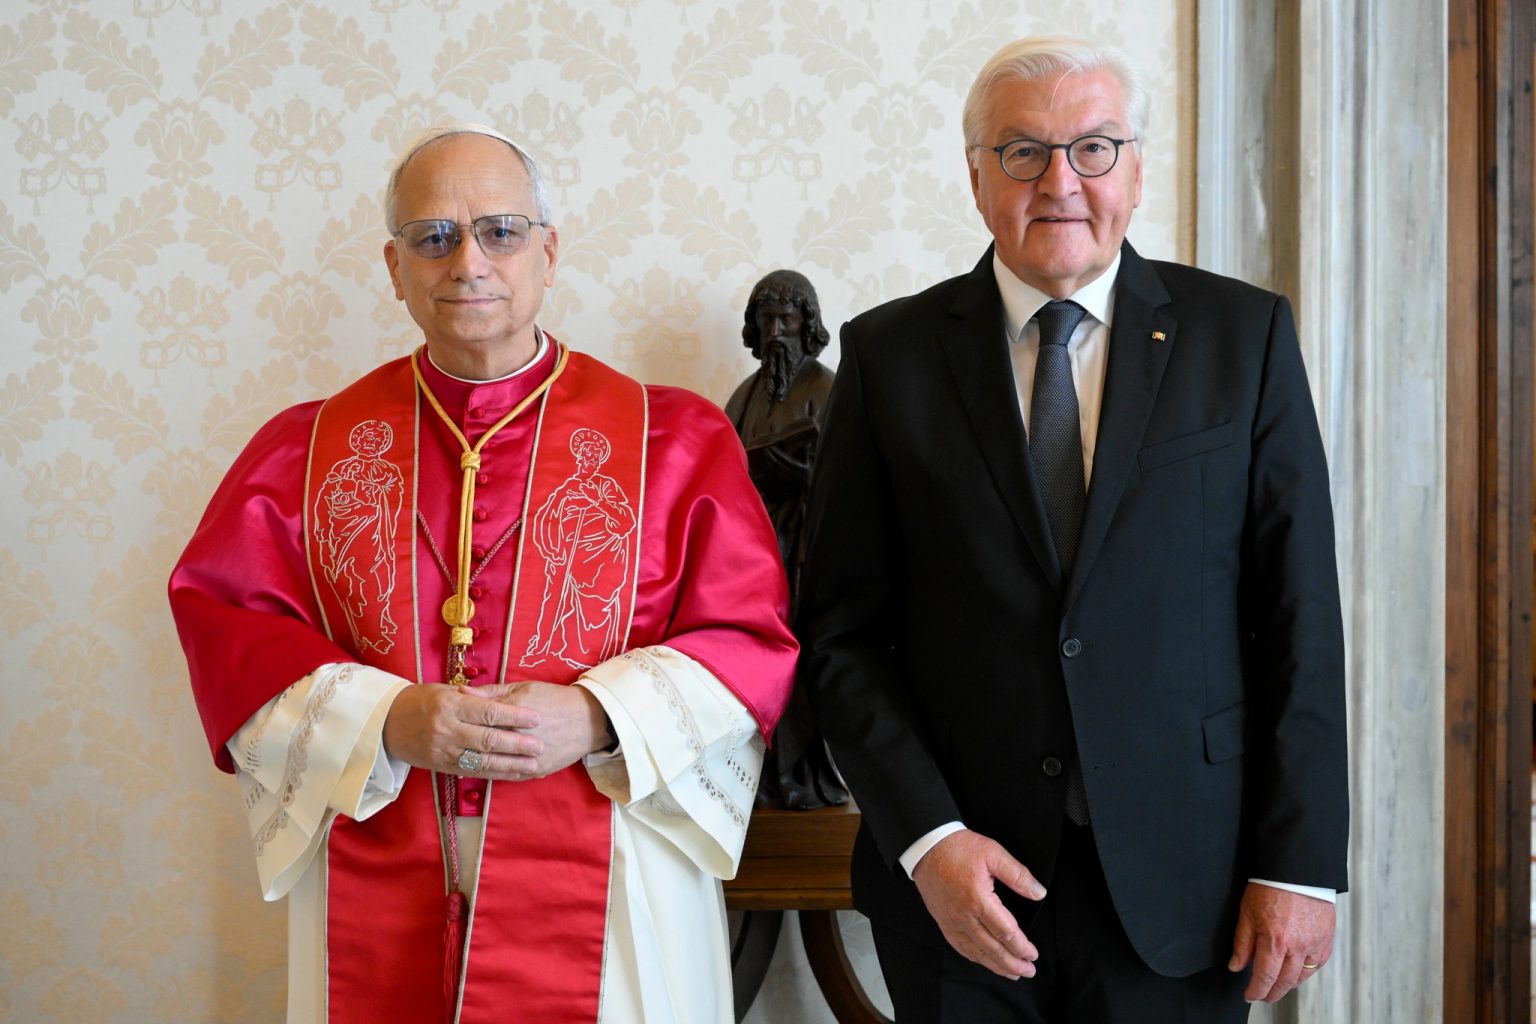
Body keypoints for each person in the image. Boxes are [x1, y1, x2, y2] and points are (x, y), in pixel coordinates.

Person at [169, 123, 796, 1024]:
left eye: (500, 231)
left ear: (549, 251)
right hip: (382, 853)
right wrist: (384, 720)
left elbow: (747, 643)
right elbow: (232, 634)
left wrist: (598, 716)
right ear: (395, 268)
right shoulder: (307, 450)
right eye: (434, 237)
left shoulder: (674, 442)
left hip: (610, 879)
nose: (469, 262)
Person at [797, 37, 1348, 1022]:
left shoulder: (1243, 336)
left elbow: (1298, 614)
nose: (1060, 182)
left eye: (1094, 148)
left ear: (1136, 169)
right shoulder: (889, 356)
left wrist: (1300, 864)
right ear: (977, 177)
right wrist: (928, 839)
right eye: (1023, 152)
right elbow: (841, 635)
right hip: (963, 892)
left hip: (1189, 886)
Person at [724, 269, 846, 809]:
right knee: (754, 661)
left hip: (809, 554)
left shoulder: (828, 388)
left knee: (806, 660)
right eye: (767, 321)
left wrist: (803, 475)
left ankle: (809, 774)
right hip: (754, 557)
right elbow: (721, 471)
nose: (776, 332)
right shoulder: (745, 396)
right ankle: (763, 773)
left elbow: (852, 475)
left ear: (807, 323)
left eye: (787, 320)